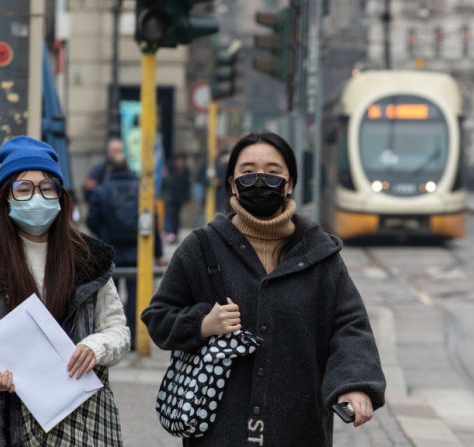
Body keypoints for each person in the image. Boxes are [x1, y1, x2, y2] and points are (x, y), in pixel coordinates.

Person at [141, 131, 386, 446]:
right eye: (247, 171)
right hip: (219, 434)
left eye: (273, 172)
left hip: (299, 432)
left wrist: (354, 383)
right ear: (232, 182)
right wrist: (202, 324)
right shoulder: (202, 247)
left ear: (290, 183)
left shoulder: (320, 253)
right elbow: (158, 317)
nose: (260, 179)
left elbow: (349, 326)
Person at [0, 135, 130, 446]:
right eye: (23, 189)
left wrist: (95, 346)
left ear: (60, 196)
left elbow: (118, 330)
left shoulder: (90, 260)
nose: (37, 196)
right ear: (6, 198)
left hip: (82, 419)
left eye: (47, 187)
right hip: (9, 420)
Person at [86, 153, 166, 347]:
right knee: (135, 298)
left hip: (108, 252)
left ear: (110, 169)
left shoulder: (101, 191)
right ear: (129, 169)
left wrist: (104, 234)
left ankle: (110, 338)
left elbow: (91, 221)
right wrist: (157, 253)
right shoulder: (142, 191)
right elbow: (152, 224)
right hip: (137, 252)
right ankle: (135, 340)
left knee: (107, 299)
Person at [159, 153, 191, 244]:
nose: (180, 162)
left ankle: (174, 234)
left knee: (176, 217)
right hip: (169, 198)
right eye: (179, 160)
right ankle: (170, 234)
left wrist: (187, 197)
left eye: (182, 161)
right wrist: (163, 195)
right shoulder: (169, 170)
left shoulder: (185, 171)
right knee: (169, 216)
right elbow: (164, 184)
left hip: (179, 198)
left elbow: (187, 185)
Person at [82, 138, 124, 203]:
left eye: (119, 151)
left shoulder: (126, 169)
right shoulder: (100, 168)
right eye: (114, 151)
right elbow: (89, 188)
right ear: (109, 152)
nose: (117, 154)